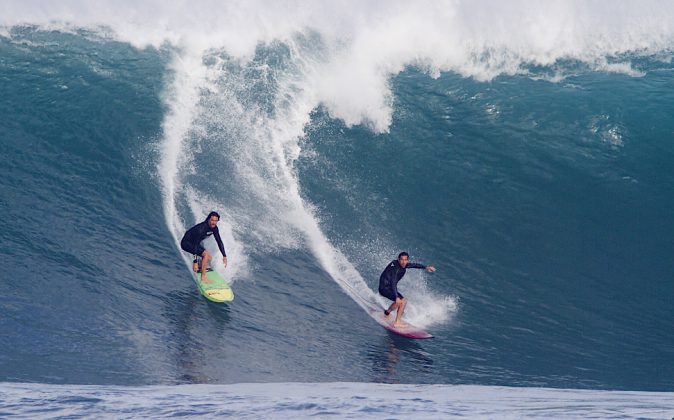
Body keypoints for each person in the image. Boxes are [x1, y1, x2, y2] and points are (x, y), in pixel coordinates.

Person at [378, 252, 435, 327]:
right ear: (398, 259)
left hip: (387, 287)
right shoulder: (396, 269)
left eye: (405, 260)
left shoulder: (399, 264)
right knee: (402, 301)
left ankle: (387, 313)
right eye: (402, 260)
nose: (404, 262)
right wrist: (396, 296)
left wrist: (426, 267)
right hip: (384, 288)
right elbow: (393, 282)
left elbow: (414, 265)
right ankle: (397, 323)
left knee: (400, 301)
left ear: (407, 260)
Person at [180, 211, 228, 283]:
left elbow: (219, 241)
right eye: (212, 220)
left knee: (209, 257)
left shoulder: (214, 228)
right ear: (208, 219)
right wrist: (195, 262)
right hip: (186, 243)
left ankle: (200, 268)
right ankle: (203, 277)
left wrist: (224, 255)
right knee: (205, 255)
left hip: (194, 243)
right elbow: (196, 244)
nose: (213, 222)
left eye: (216, 221)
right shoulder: (202, 228)